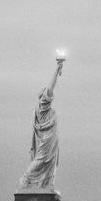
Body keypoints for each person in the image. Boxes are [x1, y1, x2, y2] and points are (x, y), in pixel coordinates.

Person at [18, 56, 65, 192]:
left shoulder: (45, 109)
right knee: (41, 159)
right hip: (46, 140)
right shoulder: (43, 105)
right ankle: (26, 180)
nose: (49, 95)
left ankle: (45, 184)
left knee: (49, 163)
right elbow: (50, 88)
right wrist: (57, 69)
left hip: (50, 140)